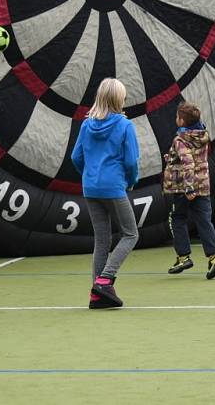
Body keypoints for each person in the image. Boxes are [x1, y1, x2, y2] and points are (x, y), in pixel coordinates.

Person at [71, 78, 140, 309]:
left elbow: (76, 157)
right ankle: (105, 279)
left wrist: (89, 175)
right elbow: (131, 161)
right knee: (131, 234)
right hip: (113, 187)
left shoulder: (86, 124)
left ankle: (96, 295)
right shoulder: (125, 125)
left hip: (91, 188)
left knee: (102, 240)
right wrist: (130, 181)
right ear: (119, 99)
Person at [162, 101, 215, 280]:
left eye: (177, 117)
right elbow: (196, 158)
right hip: (203, 185)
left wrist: (189, 188)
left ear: (181, 121)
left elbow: (188, 163)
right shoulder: (202, 135)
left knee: (177, 219)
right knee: (204, 220)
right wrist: (171, 157)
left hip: (183, 188)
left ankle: (183, 256)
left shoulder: (180, 139)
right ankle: (213, 257)